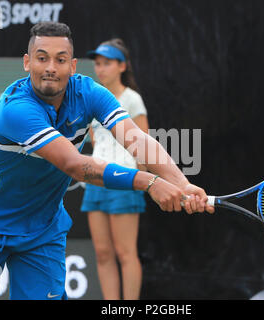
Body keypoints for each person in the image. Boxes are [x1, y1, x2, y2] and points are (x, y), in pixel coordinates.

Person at [0, 21, 214, 300]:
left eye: (60, 60)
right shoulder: (16, 109)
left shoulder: (89, 93)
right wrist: (150, 182)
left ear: (72, 66)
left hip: (41, 232)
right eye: (42, 58)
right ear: (27, 62)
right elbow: (74, 166)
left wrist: (181, 182)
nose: (50, 68)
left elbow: (137, 139)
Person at [81, 38, 148, 300]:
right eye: (97, 64)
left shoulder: (132, 100)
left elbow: (144, 145)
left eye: (106, 63)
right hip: (95, 182)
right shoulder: (92, 99)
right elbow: (95, 140)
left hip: (126, 183)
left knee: (125, 253)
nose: (100, 69)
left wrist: (146, 181)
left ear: (122, 66)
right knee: (103, 253)